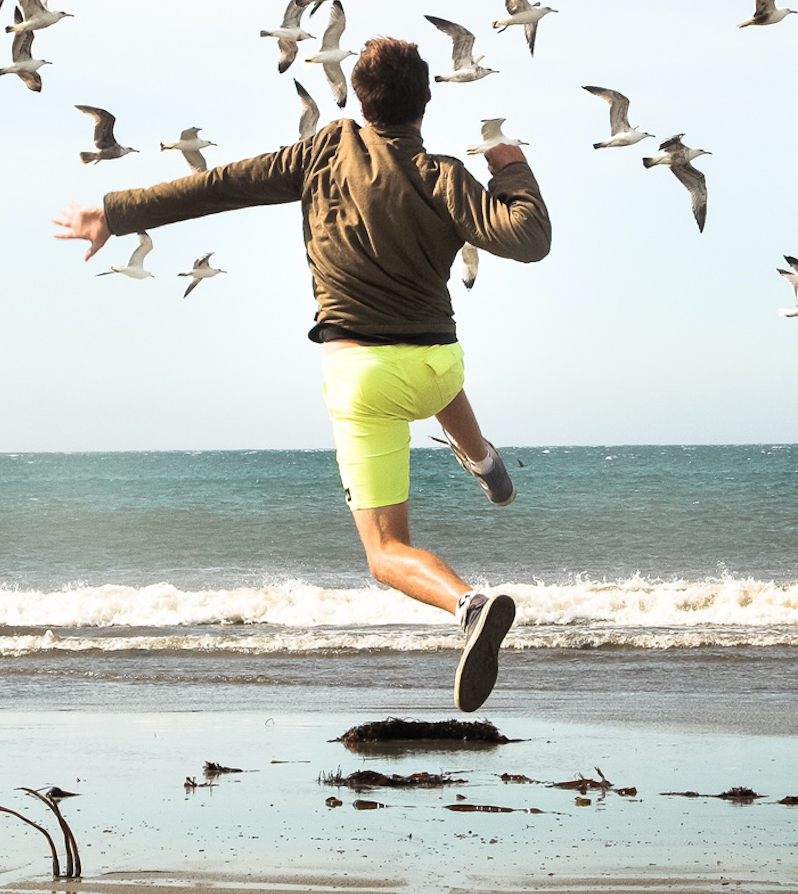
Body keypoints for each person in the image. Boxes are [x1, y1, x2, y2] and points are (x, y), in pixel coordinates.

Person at [52, 35, 551, 710]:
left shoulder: (325, 151)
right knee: (433, 378)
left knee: (385, 551)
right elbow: (529, 238)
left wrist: (112, 212)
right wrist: (512, 168)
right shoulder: (446, 176)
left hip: (362, 374)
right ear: (425, 104)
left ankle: (467, 605)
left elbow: (217, 185)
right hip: (439, 361)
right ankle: (483, 459)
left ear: (362, 100)